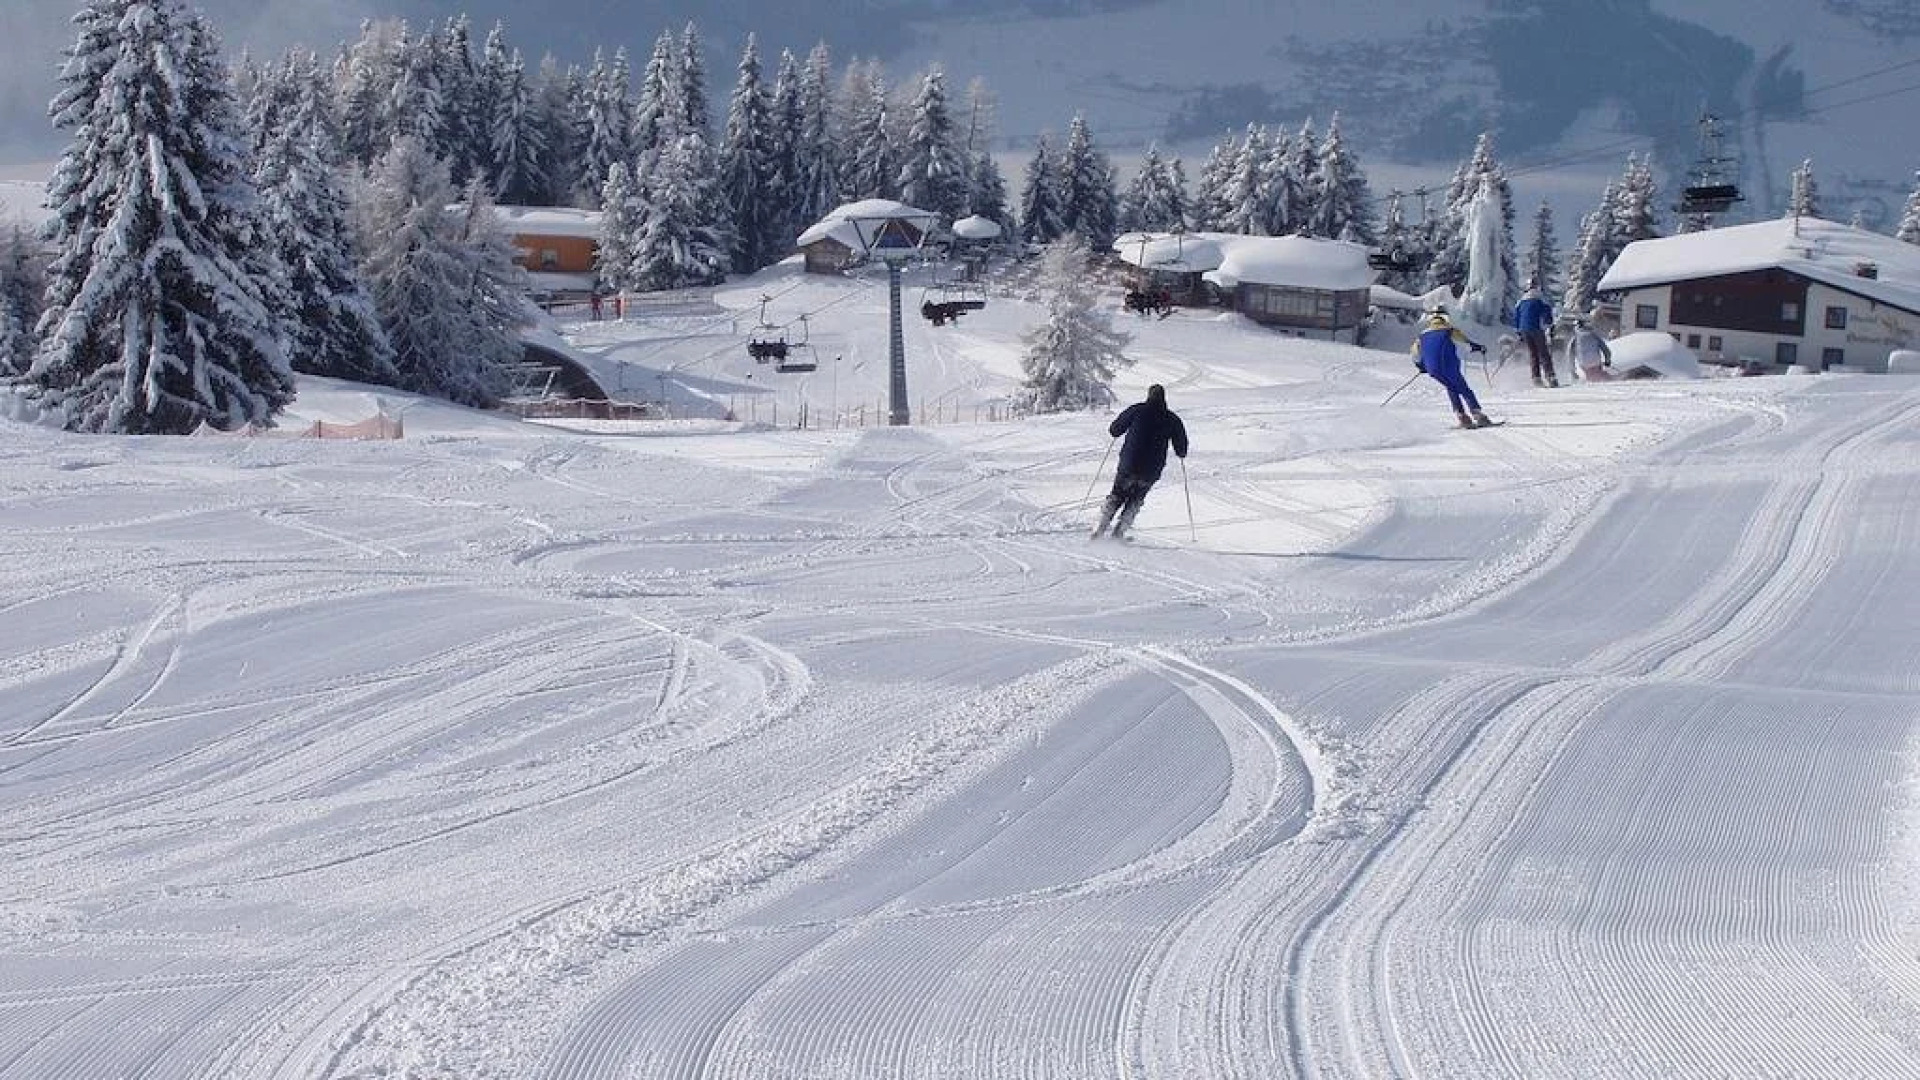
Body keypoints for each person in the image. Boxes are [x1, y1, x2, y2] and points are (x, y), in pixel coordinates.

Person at [1093, 383, 1189, 540]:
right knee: (1136, 500)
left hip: (1129, 464)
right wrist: (1181, 452)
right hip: (1151, 470)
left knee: (1117, 495)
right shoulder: (1172, 419)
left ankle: (1099, 529)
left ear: (1149, 396)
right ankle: (1119, 533)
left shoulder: (1137, 410)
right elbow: (1182, 448)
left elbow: (1114, 430)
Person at [1411, 309, 1493, 428]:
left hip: (1432, 369)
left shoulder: (1422, 336)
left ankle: (1462, 416)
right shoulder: (1448, 330)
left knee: (1451, 387)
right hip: (1448, 364)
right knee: (1463, 388)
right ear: (1443, 320)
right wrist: (1479, 348)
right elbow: (1466, 343)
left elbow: (1414, 353)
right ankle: (1478, 415)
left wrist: (1421, 366)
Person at [1512, 286, 1558, 387]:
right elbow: (1547, 315)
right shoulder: (1540, 300)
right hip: (1536, 328)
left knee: (1533, 353)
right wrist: (1550, 325)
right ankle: (1551, 377)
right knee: (1544, 353)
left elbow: (1516, 317)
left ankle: (1536, 378)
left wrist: (1518, 331)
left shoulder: (1521, 302)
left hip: (1524, 330)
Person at [1568, 317, 1614, 382]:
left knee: (1590, 374)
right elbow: (1606, 350)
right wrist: (1607, 361)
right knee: (1597, 372)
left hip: (1584, 364)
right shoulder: (1594, 335)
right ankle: (1605, 378)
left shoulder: (1575, 338)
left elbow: (1570, 355)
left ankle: (1591, 379)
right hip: (1596, 362)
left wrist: (1572, 369)